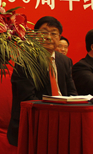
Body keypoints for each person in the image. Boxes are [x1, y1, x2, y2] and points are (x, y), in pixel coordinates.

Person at [7, 16, 77, 146]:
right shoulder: (26, 60)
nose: (49, 37)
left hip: (62, 118)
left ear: (59, 38)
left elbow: (72, 93)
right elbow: (28, 98)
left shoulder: (65, 61)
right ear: (35, 36)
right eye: (44, 33)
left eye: (54, 34)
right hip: (34, 122)